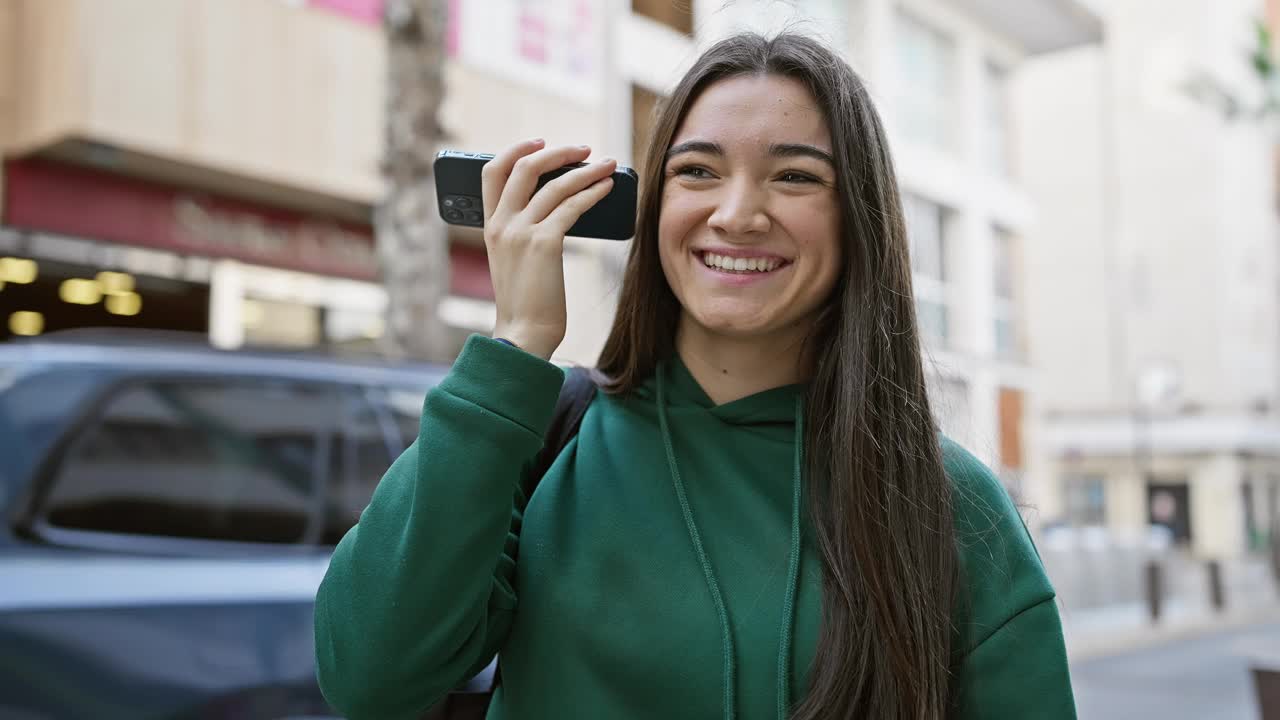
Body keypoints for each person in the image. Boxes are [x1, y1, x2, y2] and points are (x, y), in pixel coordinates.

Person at [315, 32, 1076, 720]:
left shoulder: (950, 502)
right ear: (654, 209)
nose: (737, 213)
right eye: (698, 171)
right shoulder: (544, 445)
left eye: (795, 178)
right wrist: (516, 346)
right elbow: (371, 678)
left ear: (859, 220)